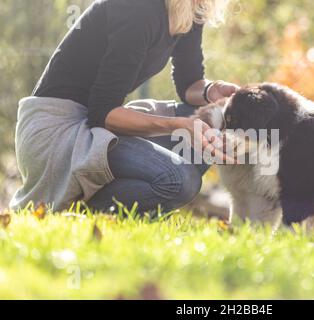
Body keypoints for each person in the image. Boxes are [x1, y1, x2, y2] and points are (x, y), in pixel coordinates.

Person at [10, 0, 239, 214]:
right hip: (56, 131)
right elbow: (103, 113)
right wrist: (176, 125)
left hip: (96, 122)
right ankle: (78, 209)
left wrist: (211, 90)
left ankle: (118, 203)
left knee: (210, 122)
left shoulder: (191, 9)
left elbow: (189, 83)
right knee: (180, 180)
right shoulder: (137, 9)